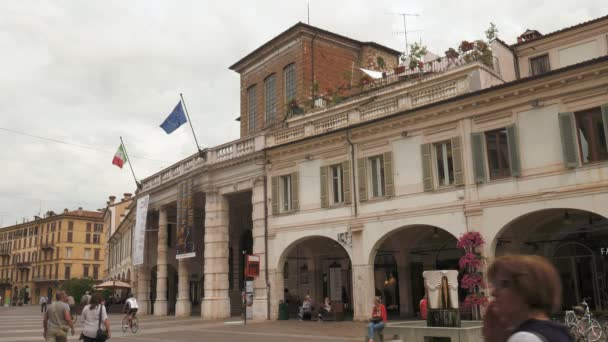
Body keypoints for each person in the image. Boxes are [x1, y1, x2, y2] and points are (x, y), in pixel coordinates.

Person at [483, 255, 573, 342]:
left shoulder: (524, 338)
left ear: (528, 288)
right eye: (494, 285)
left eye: (504, 284)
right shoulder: (559, 332)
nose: (493, 293)